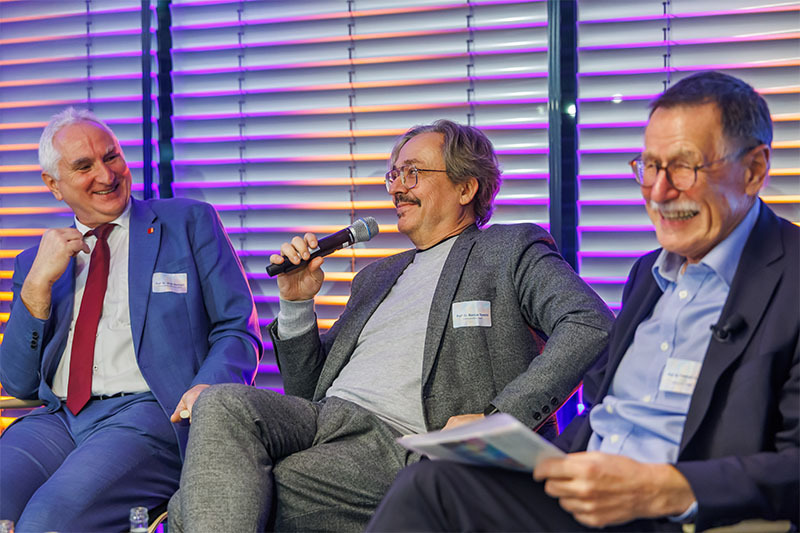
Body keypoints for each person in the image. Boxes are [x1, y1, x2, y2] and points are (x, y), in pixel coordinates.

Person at [366, 71, 799, 532]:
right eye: (650, 167)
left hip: (669, 512)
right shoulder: (648, 274)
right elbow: (603, 415)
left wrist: (663, 487)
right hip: (582, 496)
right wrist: (516, 451)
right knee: (433, 482)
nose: (659, 191)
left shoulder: (788, 280)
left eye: (685, 167)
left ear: (753, 171)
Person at [168, 119, 615, 531]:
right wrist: (297, 304)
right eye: (393, 176)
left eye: (413, 173)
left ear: (466, 188)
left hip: (400, 439)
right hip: (324, 418)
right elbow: (306, 392)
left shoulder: (510, 249)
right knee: (219, 402)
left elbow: (589, 324)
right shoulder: (376, 275)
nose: (397, 188)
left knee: (198, 503)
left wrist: (497, 420)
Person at [0, 107, 263, 532]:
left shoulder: (189, 223)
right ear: (53, 185)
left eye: (112, 157)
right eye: (84, 166)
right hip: (58, 419)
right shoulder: (37, 262)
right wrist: (35, 290)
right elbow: (18, 383)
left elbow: (237, 329)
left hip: (148, 414)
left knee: (46, 522)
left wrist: (207, 391)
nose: (106, 175)